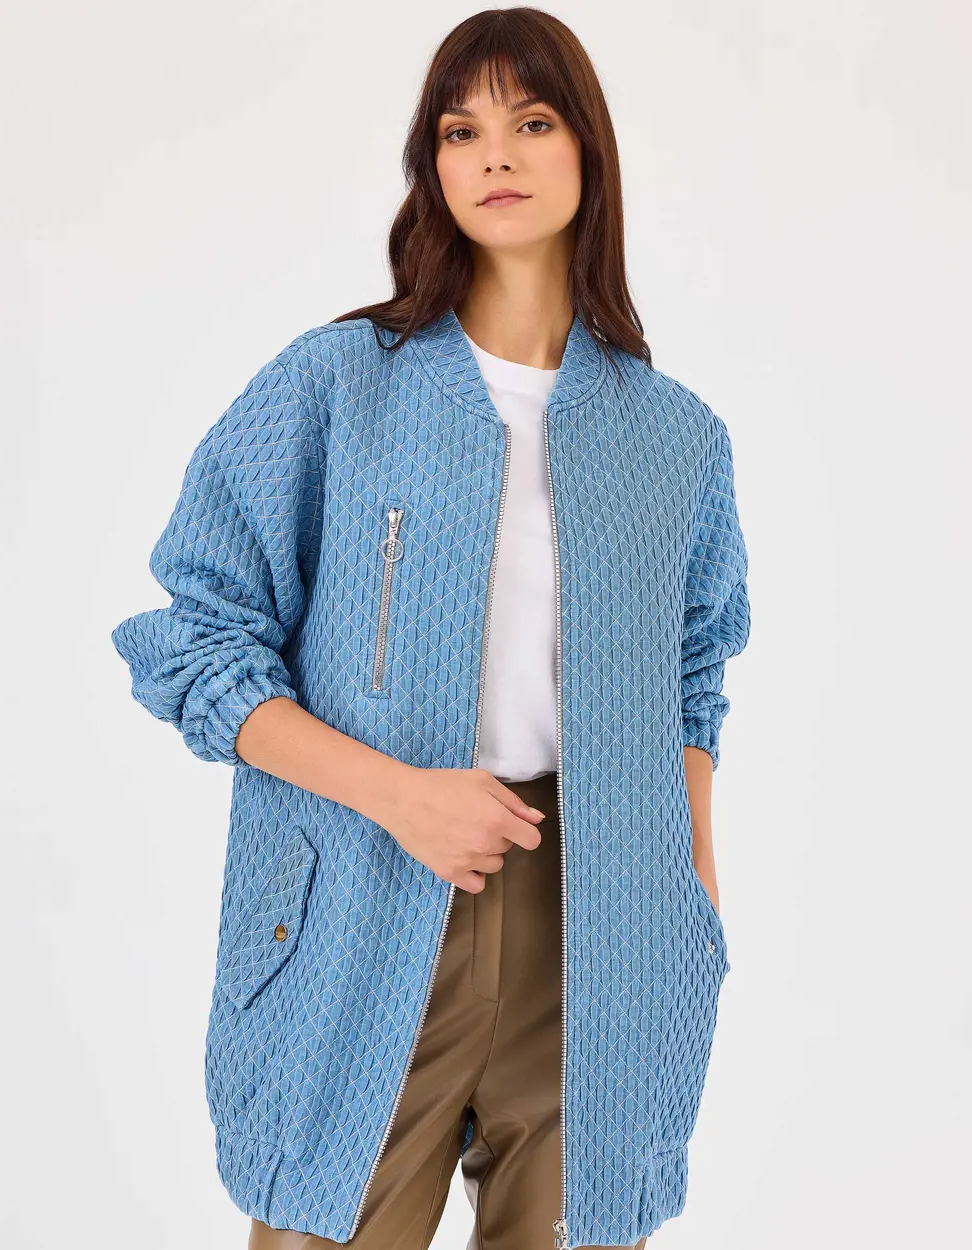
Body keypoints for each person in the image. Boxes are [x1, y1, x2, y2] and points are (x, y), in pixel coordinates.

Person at [110, 8, 751, 1249]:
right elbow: (197, 638)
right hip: (370, 876)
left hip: (602, 913)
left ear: (589, 151)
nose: (494, 153)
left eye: (532, 120)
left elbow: (693, 670)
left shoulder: (675, 435)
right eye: (462, 130)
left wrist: (689, 893)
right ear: (432, 165)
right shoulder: (337, 382)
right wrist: (398, 796)